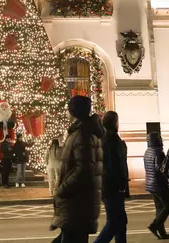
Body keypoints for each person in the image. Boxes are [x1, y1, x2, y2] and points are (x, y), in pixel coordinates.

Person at [51, 95, 104, 243]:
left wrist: (63, 189)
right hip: (77, 203)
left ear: (74, 111)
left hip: (77, 203)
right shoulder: (80, 132)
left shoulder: (82, 134)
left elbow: (84, 170)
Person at [94, 111, 129, 243]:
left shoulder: (106, 138)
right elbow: (115, 164)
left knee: (120, 221)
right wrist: (120, 182)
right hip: (112, 186)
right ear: (114, 123)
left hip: (110, 185)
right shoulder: (111, 139)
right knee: (115, 222)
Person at [144, 132, 169, 240]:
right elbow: (160, 168)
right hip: (159, 183)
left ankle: (162, 232)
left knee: (159, 207)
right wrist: (168, 161)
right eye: (159, 138)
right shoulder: (158, 152)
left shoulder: (147, 151)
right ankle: (155, 225)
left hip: (150, 183)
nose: (161, 140)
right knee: (168, 205)